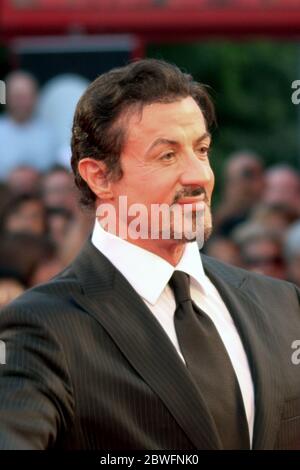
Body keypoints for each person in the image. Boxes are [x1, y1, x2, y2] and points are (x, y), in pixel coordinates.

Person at [0, 59, 299, 450]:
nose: (199, 176)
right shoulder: (41, 327)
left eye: (202, 149)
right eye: (167, 156)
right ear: (99, 177)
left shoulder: (282, 303)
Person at [0, 71, 57, 180]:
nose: (21, 103)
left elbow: (53, 170)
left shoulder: (48, 132)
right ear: (6, 97)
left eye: (26, 97)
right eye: (17, 97)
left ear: (35, 98)